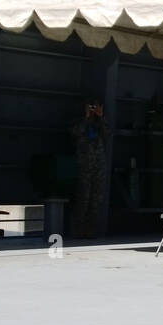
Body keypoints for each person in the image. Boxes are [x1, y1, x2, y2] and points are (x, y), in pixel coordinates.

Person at [69, 98, 110, 239]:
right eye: (91, 106)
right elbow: (74, 133)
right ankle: (77, 230)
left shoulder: (100, 123)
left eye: (95, 106)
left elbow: (108, 134)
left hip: (98, 166)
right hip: (84, 165)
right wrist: (86, 118)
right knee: (82, 199)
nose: (93, 109)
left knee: (96, 200)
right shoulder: (80, 122)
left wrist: (101, 117)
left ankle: (90, 230)